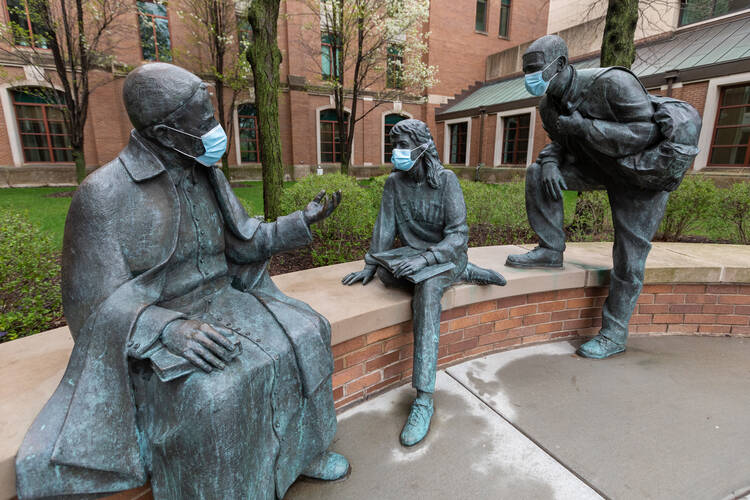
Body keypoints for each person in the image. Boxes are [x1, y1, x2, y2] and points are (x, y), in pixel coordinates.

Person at [16, 63, 349, 500]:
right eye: (206, 120)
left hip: (224, 298)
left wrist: (297, 223)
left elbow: (244, 242)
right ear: (167, 133)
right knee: (216, 391)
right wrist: (168, 328)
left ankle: (304, 451)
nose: (217, 129)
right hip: (160, 322)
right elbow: (89, 306)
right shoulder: (103, 195)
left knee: (309, 330)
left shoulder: (203, 168)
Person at [505, 35, 700, 359]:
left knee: (629, 258)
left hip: (639, 177)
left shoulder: (614, 83)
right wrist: (551, 163)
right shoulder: (547, 105)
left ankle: (613, 333)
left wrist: (586, 128)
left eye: (536, 69)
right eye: (527, 70)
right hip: (598, 167)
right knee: (538, 173)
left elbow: (644, 133)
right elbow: (561, 141)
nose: (531, 77)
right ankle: (550, 250)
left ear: (562, 64)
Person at [343, 119, 505, 447]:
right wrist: (372, 263)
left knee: (428, 292)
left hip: (444, 258)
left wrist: (427, 259)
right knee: (388, 275)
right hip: (411, 257)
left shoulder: (446, 182)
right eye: (394, 146)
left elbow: (458, 235)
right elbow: (384, 229)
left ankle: (423, 398)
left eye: (402, 145)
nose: (396, 153)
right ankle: (464, 274)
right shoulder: (394, 184)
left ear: (421, 147)